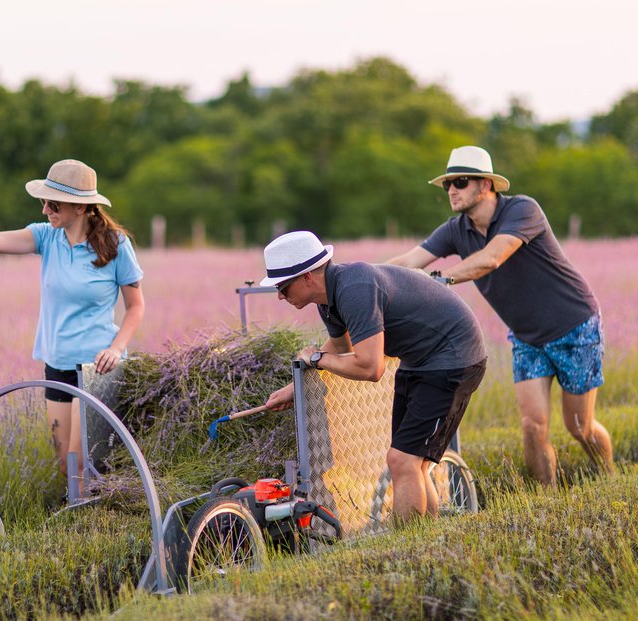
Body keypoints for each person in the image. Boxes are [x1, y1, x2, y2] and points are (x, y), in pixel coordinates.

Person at [388, 145, 613, 486]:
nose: (451, 189)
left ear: (485, 185)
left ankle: (609, 476)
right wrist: (362, 277)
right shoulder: (455, 230)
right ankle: (547, 501)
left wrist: (440, 279)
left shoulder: (523, 210)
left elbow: (492, 257)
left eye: (460, 182)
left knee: (579, 426)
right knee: (532, 425)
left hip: (574, 326)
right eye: (448, 183)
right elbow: (409, 261)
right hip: (527, 338)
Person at [0, 159, 145, 496]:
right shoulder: (46, 237)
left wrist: (116, 349)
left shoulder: (116, 246)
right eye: (44, 202)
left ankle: (85, 525)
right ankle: (85, 516)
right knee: (64, 464)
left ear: (81, 207)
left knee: (81, 462)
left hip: (94, 366)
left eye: (53, 203)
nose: (45, 209)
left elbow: (136, 306)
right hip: (57, 364)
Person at [261, 231, 487, 522]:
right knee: (411, 464)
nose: (279, 295)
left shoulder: (355, 288)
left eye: (282, 286)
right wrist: (296, 387)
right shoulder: (327, 298)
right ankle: (426, 539)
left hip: (454, 358)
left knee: (403, 460)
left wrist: (318, 358)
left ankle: (409, 547)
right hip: (420, 360)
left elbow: (370, 367)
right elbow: (342, 348)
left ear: (306, 277)